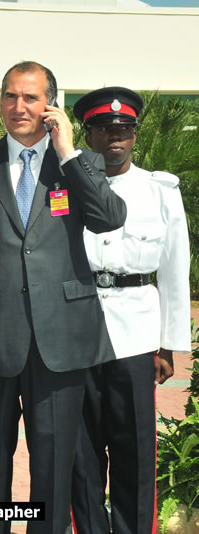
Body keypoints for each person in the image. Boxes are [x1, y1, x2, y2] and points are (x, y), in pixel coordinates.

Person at [0, 61, 127, 534]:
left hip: (61, 343)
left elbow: (108, 217)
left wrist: (67, 151)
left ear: (50, 105)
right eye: (10, 96)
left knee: (53, 470)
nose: (18, 106)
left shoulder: (80, 164)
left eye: (30, 97)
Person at [70, 87, 191, 534]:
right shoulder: (65, 185)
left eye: (123, 129)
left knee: (135, 449)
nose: (114, 137)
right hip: (77, 331)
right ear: (88, 135)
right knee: (80, 452)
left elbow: (175, 269)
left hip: (137, 334)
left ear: (135, 135)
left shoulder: (159, 190)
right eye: (104, 129)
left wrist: (168, 344)